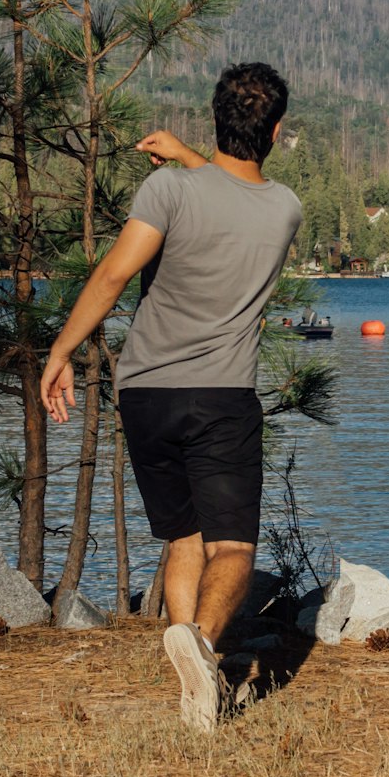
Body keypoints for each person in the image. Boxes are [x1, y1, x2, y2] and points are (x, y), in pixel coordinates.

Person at [40, 62, 301, 732]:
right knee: (233, 548)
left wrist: (62, 351)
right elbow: (233, 193)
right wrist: (192, 158)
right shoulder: (285, 210)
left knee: (184, 534)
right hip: (222, 397)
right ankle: (204, 649)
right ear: (275, 131)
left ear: (214, 120)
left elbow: (114, 274)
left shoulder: (166, 192)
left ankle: (196, 680)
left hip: (147, 394)